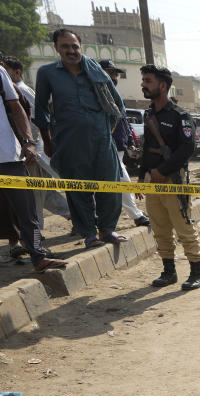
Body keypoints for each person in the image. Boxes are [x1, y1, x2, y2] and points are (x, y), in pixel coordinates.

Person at [33, 28, 126, 250]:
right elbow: (41, 111)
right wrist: (47, 141)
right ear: (56, 48)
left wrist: (107, 132)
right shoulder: (47, 73)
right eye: (65, 46)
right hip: (69, 142)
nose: (71, 51)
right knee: (78, 189)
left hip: (102, 139)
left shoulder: (95, 71)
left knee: (110, 186)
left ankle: (107, 229)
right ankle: (88, 234)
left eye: (75, 46)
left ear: (81, 47)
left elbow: (116, 104)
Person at [137, 64, 200, 291]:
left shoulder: (180, 116)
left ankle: (197, 272)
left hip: (173, 179)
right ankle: (169, 271)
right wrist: (142, 176)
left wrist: (161, 171)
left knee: (183, 225)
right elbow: (147, 148)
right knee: (159, 228)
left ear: (162, 86)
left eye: (148, 81)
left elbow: (187, 149)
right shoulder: (149, 114)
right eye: (143, 80)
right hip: (151, 181)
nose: (143, 84)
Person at [0, 63, 66, 272]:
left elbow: (16, 106)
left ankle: (38, 256)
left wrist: (28, 141)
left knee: (27, 211)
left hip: (7, 157)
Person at [100, 59, 150, 228]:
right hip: (105, 147)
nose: (114, 76)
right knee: (123, 181)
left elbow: (123, 122)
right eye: (110, 72)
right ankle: (136, 216)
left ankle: (91, 219)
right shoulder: (98, 94)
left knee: (109, 184)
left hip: (118, 146)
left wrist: (129, 140)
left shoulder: (113, 94)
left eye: (115, 73)